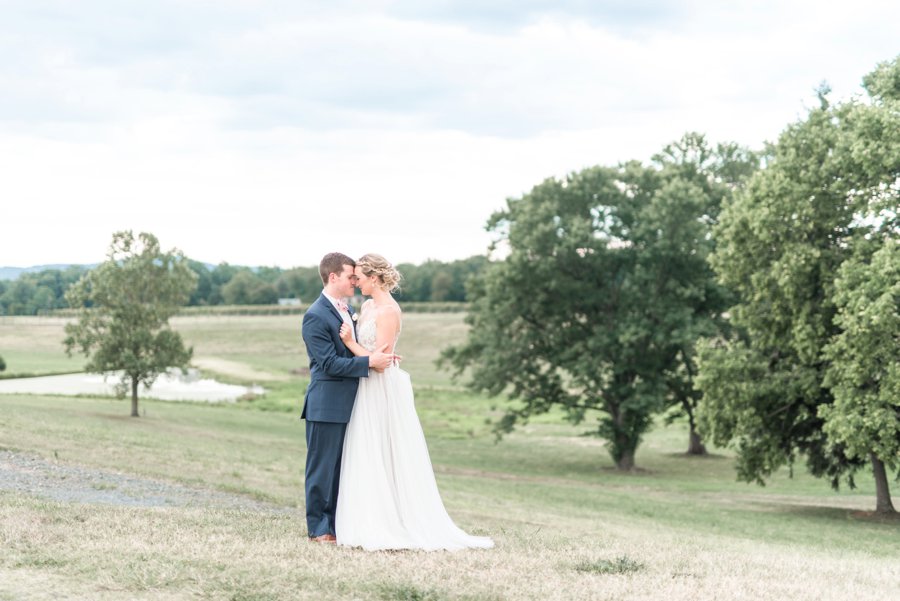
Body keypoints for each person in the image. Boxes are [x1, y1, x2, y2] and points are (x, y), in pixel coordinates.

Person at [335, 253, 494, 551]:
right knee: (367, 448)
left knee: (385, 448)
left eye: (359, 277)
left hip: (380, 386)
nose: (356, 281)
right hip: (365, 385)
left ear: (374, 277)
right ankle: (366, 515)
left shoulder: (389, 311)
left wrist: (350, 344)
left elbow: (380, 362)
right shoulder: (367, 306)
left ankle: (393, 520)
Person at [301, 252, 396, 543]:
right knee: (322, 468)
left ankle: (338, 524)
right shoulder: (315, 315)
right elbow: (328, 363)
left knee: (343, 469)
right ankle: (318, 529)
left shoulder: (347, 309)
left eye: (357, 276)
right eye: (350, 276)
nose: (355, 280)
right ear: (333, 277)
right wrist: (369, 362)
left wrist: (374, 355)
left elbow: (356, 347)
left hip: (353, 403)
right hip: (326, 404)